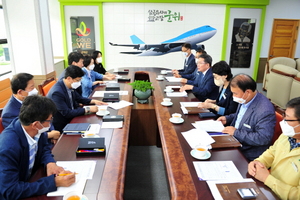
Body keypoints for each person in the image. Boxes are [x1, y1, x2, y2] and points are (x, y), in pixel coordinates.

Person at [0, 95, 75, 199]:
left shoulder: (33, 129)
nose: (50, 123)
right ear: (36, 124)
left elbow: (44, 148)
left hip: (32, 178)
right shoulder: (8, 148)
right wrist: (53, 182)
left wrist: (50, 163)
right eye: (49, 120)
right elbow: (10, 191)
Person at [248, 97, 300, 200]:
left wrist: (267, 179)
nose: (283, 121)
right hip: (269, 190)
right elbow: (272, 152)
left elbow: (297, 195)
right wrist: (257, 162)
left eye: (288, 118)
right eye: (284, 115)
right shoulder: (288, 136)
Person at [217, 74, 276, 161]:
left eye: (235, 93)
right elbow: (242, 115)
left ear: (247, 92)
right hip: (233, 140)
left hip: (248, 152)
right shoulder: (245, 98)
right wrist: (227, 118)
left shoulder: (265, 110)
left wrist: (236, 132)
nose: (233, 96)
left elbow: (263, 138)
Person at [1, 73, 60, 142]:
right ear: (20, 92)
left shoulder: (32, 100)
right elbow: (22, 136)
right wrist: (49, 135)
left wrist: (52, 132)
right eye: (31, 88)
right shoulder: (9, 113)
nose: (35, 90)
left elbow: (47, 117)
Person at [47, 65, 107, 132]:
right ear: (69, 78)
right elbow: (67, 113)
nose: (79, 83)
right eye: (78, 80)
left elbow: (79, 98)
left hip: (73, 116)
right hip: (63, 124)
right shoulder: (57, 92)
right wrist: (87, 109)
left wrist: (94, 101)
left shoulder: (69, 85)